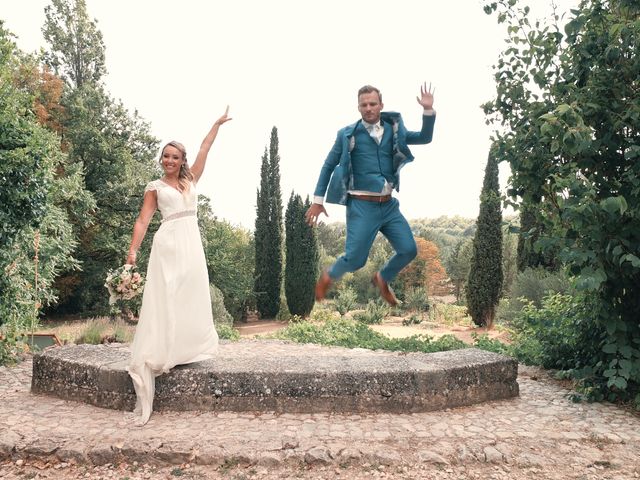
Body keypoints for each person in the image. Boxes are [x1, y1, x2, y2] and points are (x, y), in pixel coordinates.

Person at [125, 107, 232, 425]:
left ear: (182, 161)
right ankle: (163, 351)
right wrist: (132, 251)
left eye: (175, 157)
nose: (170, 161)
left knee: (191, 293)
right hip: (168, 243)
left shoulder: (191, 178)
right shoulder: (154, 187)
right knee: (167, 296)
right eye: (166, 156)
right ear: (162, 160)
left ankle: (184, 347)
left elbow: (205, 148)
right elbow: (143, 220)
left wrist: (215, 125)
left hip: (191, 241)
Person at [305, 84, 435, 306]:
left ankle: (383, 277)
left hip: (389, 206)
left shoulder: (394, 130)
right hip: (361, 206)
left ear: (381, 105)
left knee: (408, 249)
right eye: (364, 105)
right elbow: (328, 165)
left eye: (373, 104)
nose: (368, 108)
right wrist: (318, 201)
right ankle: (329, 275)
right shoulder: (347, 134)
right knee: (355, 260)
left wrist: (428, 111)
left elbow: (425, 137)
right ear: (358, 107)